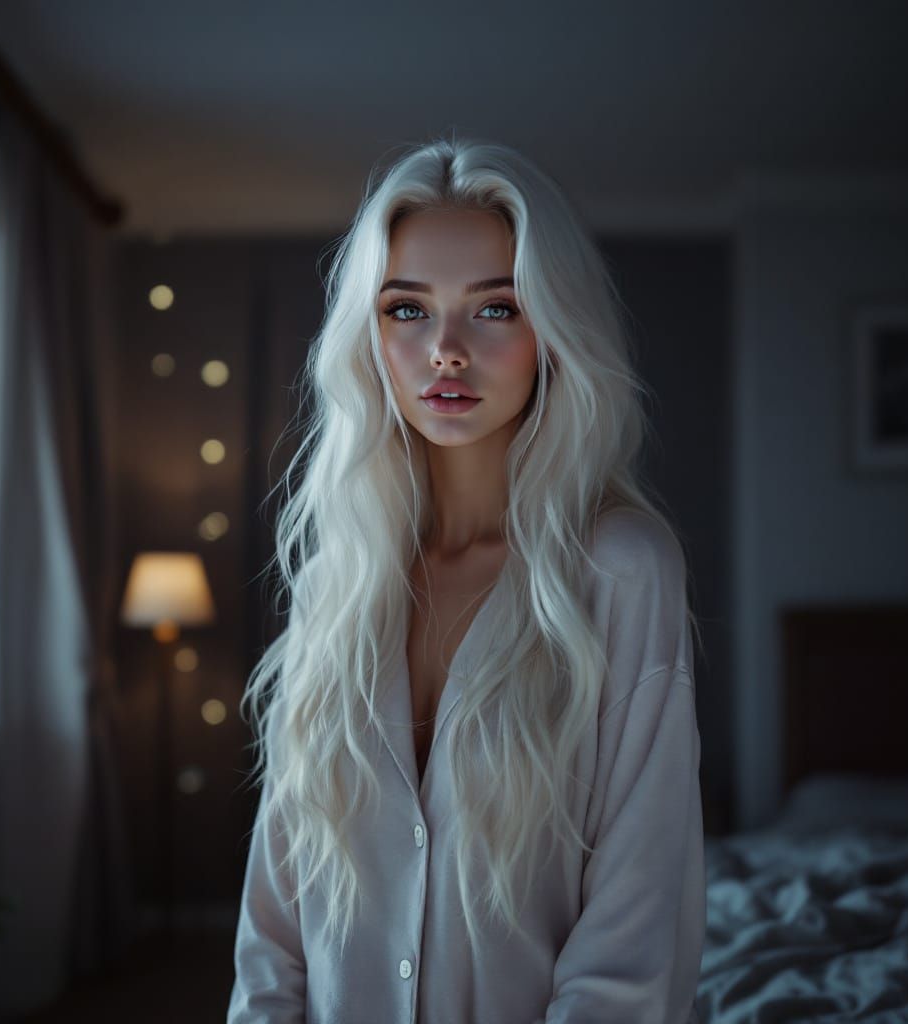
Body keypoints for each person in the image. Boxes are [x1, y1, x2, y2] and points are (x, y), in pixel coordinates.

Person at [226, 134, 706, 1024]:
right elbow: (277, 923)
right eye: (407, 310)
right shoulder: (340, 577)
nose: (445, 349)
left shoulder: (623, 570)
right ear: (368, 337)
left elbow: (635, 931)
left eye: (495, 309)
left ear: (553, 332)